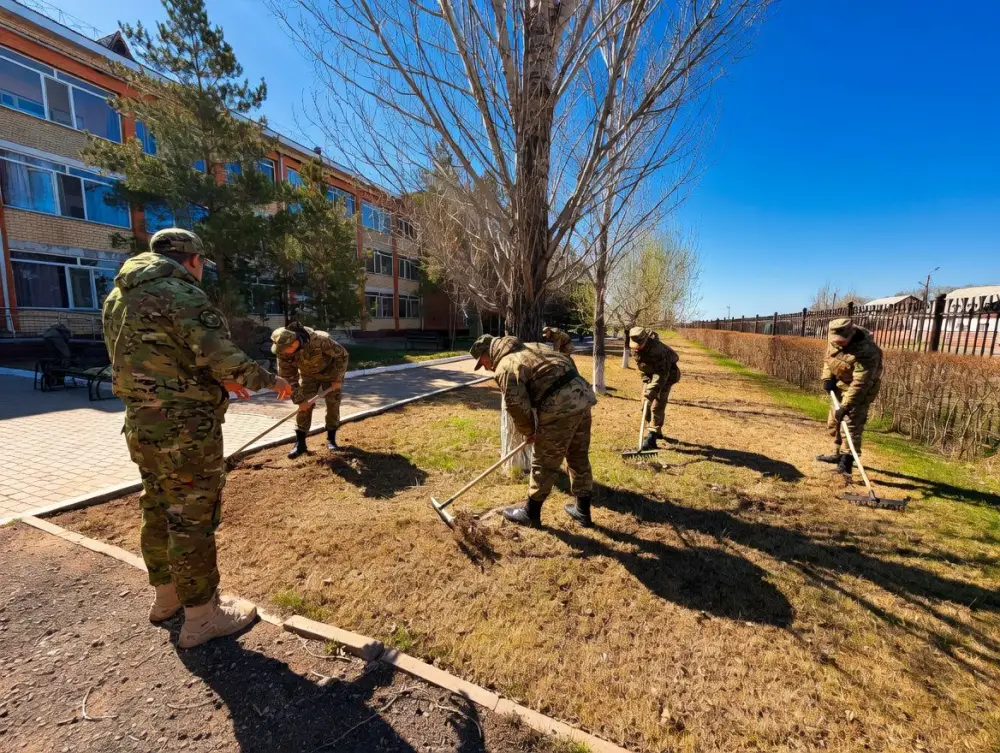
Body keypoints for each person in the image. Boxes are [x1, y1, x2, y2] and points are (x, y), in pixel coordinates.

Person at [102, 228, 293, 649]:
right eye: (202, 262)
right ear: (192, 259)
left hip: (142, 425)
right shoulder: (180, 293)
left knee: (155, 506)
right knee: (192, 519)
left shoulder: (118, 296)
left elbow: (156, 357)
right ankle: (202, 617)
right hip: (186, 431)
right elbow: (219, 353)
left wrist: (213, 378)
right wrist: (268, 379)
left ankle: (165, 599)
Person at [469, 333, 596, 527]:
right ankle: (582, 511)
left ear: (489, 352)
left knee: (544, 461)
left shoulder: (506, 365)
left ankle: (531, 513)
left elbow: (516, 405)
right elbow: (566, 361)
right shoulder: (533, 347)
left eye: (483, 362)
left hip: (560, 408)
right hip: (582, 398)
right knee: (578, 455)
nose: (485, 367)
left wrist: (530, 432)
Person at [271, 323, 350, 458]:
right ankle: (300, 444)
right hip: (308, 376)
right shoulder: (283, 351)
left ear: (295, 342)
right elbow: (288, 377)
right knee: (304, 407)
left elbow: (342, 355)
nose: (284, 352)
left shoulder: (320, 340)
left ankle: (331, 440)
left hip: (330, 374)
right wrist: (299, 399)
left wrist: (337, 378)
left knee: (333, 404)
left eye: (287, 349)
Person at [817, 317, 883, 476]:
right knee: (834, 422)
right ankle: (837, 454)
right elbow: (829, 358)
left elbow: (860, 383)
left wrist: (846, 405)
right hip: (840, 385)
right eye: (835, 341)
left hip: (859, 390)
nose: (837, 343)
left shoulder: (867, 352)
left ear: (851, 334)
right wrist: (827, 377)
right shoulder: (834, 338)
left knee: (851, 425)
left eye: (841, 341)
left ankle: (846, 463)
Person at [628, 327, 681, 450]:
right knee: (644, 404)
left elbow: (661, 375)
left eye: (639, 345)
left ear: (645, 340)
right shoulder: (635, 349)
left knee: (657, 405)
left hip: (667, 375)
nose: (637, 347)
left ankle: (652, 435)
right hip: (651, 375)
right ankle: (655, 430)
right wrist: (646, 382)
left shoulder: (658, 350)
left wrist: (652, 391)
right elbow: (643, 367)